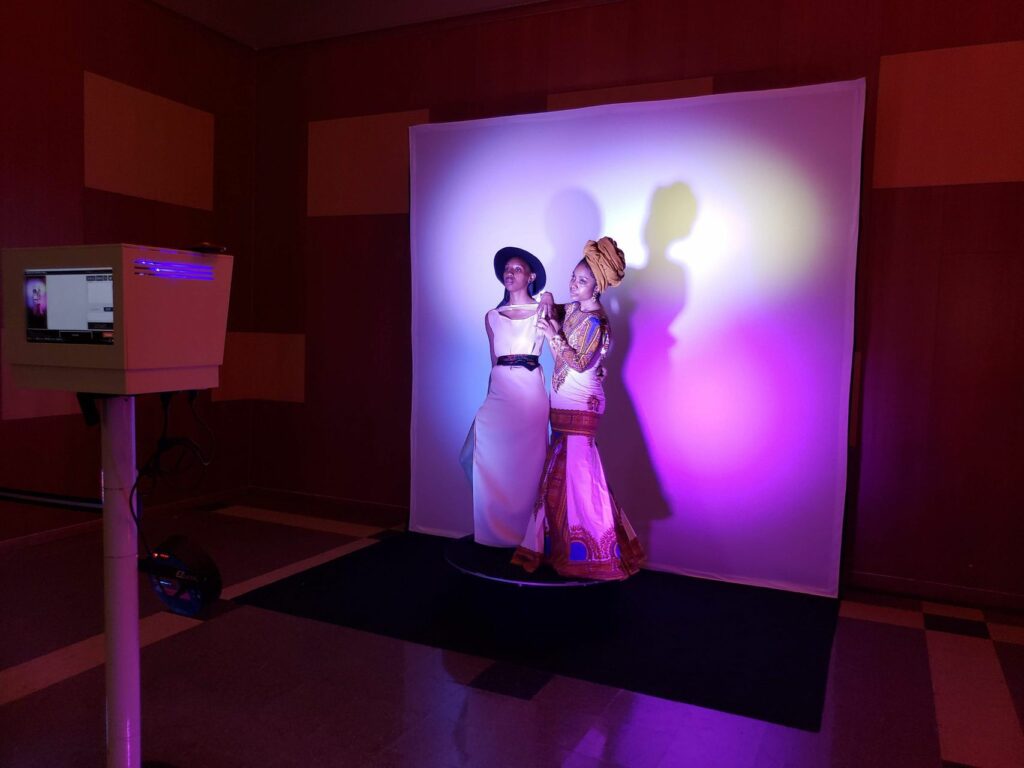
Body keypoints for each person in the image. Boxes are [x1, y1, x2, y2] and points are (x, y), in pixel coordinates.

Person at [513, 237, 644, 580]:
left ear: (597, 289)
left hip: (583, 400)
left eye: (581, 282)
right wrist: (548, 297)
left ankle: (595, 550)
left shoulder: (597, 323)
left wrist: (555, 335)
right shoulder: (574, 309)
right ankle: (567, 544)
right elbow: (553, 312)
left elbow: (581, 362)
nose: (573, 284)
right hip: (566, 399)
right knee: (564, 472)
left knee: (581, 473)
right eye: (573, 277)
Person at [462, 247, 550, 547]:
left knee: (529, 466)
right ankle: (494, 535)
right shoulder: (492, 316)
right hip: (500, 395)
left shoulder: (544, 309)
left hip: (530, 396)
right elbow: (493, 361)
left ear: (531, 276)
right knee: (482, 459)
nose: (510, 273)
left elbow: (572, 335)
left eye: (517, 269)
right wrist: (487, 402)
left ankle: (529, 537)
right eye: (507, 269)